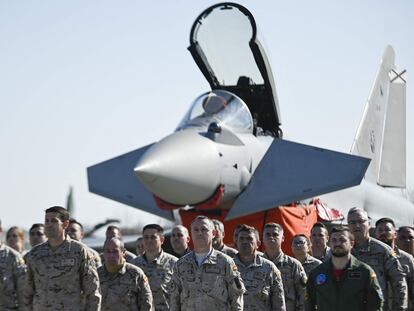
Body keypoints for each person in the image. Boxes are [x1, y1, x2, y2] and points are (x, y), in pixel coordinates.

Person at [23, 206, 101, 310]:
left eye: (54, 221)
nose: (49, 225)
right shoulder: (35, 254)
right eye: (47, 221)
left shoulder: (79, 251)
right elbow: (28, 293)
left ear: (65, 224)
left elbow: (92, 293)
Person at [170, 215, 245, 311]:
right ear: (191, 233)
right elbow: (174, 299)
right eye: (196, 230)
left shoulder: (225, 262)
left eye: (204, 229)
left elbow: (236, 297)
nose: (200, 233)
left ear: (213, 233)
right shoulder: (180, 264)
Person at [306, 226, 383, 311]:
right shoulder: (317, 273)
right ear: (329, 243)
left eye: (342, 240)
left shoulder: (364, 272)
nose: (338, 243)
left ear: (352, 244)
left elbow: (375, 305)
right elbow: (309, 304)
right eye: (334, 240)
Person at [347, 207, 408, 310]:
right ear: (347, 225)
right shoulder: (342, 250)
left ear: (369, 224)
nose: (357, 225)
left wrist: (400, 308)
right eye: (352, 222)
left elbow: (399, 282)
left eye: (361, 221)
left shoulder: (383, 251)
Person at [233, 224, 286, 311]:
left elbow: (279, 303)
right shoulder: (227, 266)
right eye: (241, 239)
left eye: (249, 239)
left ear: (258, 244)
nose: (245, 242)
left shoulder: (269, 268)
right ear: (236, 242)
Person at [99, 237, 153, 311]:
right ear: (103, 253)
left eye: (115, 251)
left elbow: (147, 304)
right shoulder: (96, 275)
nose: (111, 255)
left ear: (123, 252)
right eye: (108, 251)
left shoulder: (135, 274)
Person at [262, 222, 307, 311]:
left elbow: (303, 296)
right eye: (267, 234)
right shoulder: (256, 264)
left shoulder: (294, 265)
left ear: (282, 238)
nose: (271, 237)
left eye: (275, 234)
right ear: (262, 238)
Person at [132, 224, 177, 311]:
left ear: (162, 240)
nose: (149, 240)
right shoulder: (133, 265)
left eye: (153, 237)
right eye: (146, 237)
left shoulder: (174, 263)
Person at [375, 217, 414, 310]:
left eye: (387, 230)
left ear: (395, 234)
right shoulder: (370, 257)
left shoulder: (406, 259)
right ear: (375, 234)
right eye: (380, 230)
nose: (383, 233)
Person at [0, 218, 26, 310]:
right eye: (9, 236)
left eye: (15, 236)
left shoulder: (13, 256)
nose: (12, 239)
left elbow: (23, 293)